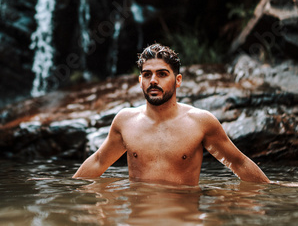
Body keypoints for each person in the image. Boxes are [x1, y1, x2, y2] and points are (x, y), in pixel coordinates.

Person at [73, 43, 270, 185]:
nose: (153, 80)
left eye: (162, 74)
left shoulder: (201, 122)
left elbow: (239, 162)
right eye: (147, 74)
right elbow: (99, 161)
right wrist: (70, 196)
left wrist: (271, 195)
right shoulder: (125, 121)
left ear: (178, 80)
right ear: (140, 80)